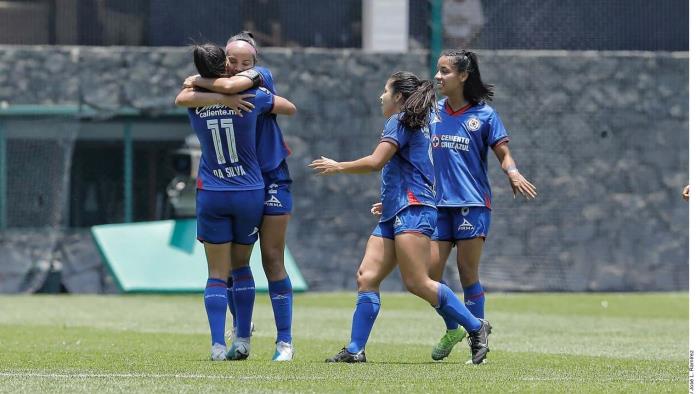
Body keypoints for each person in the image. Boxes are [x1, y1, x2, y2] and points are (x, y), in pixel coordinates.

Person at [310, 71, 492, 364]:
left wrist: (338, 166)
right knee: (367, 276)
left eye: (385, 90)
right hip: (398, 208)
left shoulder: (401, 120)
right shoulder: (414, 122)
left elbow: (376, 161)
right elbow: (413, 168)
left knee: (417, 281)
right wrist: (390, 200)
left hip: (413, 210)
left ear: (398, 97)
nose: (380, 96)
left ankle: (475, 326)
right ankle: (356, 350)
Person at [174, 43, 296, 361]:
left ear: (256, 63)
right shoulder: (247, 97)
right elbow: (196, 93)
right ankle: (242, 334)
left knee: (270, 259)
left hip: (267, 179)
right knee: (237, 267)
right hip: (247, 184)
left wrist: (204, 85)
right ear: (224, 62)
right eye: (233, 60)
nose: (241, 66)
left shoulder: (258, 79)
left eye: (247, 61)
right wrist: (222, 96)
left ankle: (284, 343)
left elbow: (188, 95)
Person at [427, 49, 537, 362]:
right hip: (438, 204)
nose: (438, 76)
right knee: (428, 274)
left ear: (463, 76)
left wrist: (513, 172)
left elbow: (504, 154)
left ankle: (478, 347)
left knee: (467, 274)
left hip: (472, 203)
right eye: (438, 70)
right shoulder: (433, 112)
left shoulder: (485, 115)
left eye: (445, 71)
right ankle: (458, 327)